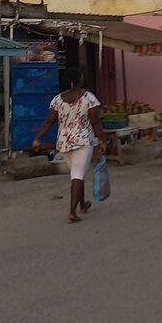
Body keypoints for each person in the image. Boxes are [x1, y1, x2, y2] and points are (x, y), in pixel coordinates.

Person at [32, 67, 106, 224]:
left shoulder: (57, 99)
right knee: (77, 174)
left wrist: (37, 138)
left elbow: (49, 121)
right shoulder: (89, 98)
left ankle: (83, 204)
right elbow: (95, 122)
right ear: (78, 81)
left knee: (76, 174)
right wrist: (103, 141)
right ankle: (72, 211)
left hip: (64, 142)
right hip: (83, 141)